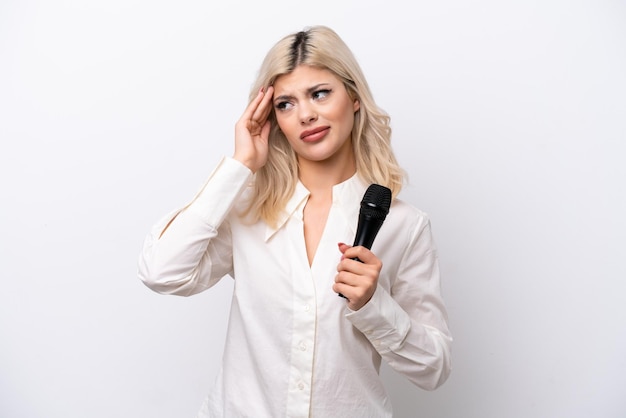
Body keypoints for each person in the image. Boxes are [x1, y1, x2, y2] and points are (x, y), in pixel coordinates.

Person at [138, 25, 452, 417]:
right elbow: (161, 272)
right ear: (272, 118)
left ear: (353, 97)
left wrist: (373, 304)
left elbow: (434, 368)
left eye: (320, 93)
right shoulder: (246, 210)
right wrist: (239, 167)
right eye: (285, 103)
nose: (306, 114)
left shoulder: (404, 225)